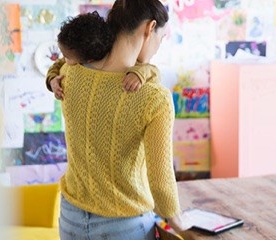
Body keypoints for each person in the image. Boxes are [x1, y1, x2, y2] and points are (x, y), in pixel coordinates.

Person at [56, 1, 189, 239]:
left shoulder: (69, 73)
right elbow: (160, 179)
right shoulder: (154, 98)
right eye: (161, 37)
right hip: (124, 224)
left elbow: (59, 67)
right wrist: (178, 222)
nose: (159, 46)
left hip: (70, 218)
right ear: (150, 28)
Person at [45, 11, 158, 100]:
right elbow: (57, 65)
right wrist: (52, 79)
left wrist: (140, 74)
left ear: (89, 60)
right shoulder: (75, 55)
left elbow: (153, 71)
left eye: (67, 57)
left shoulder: (123, 63)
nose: (64, 59)